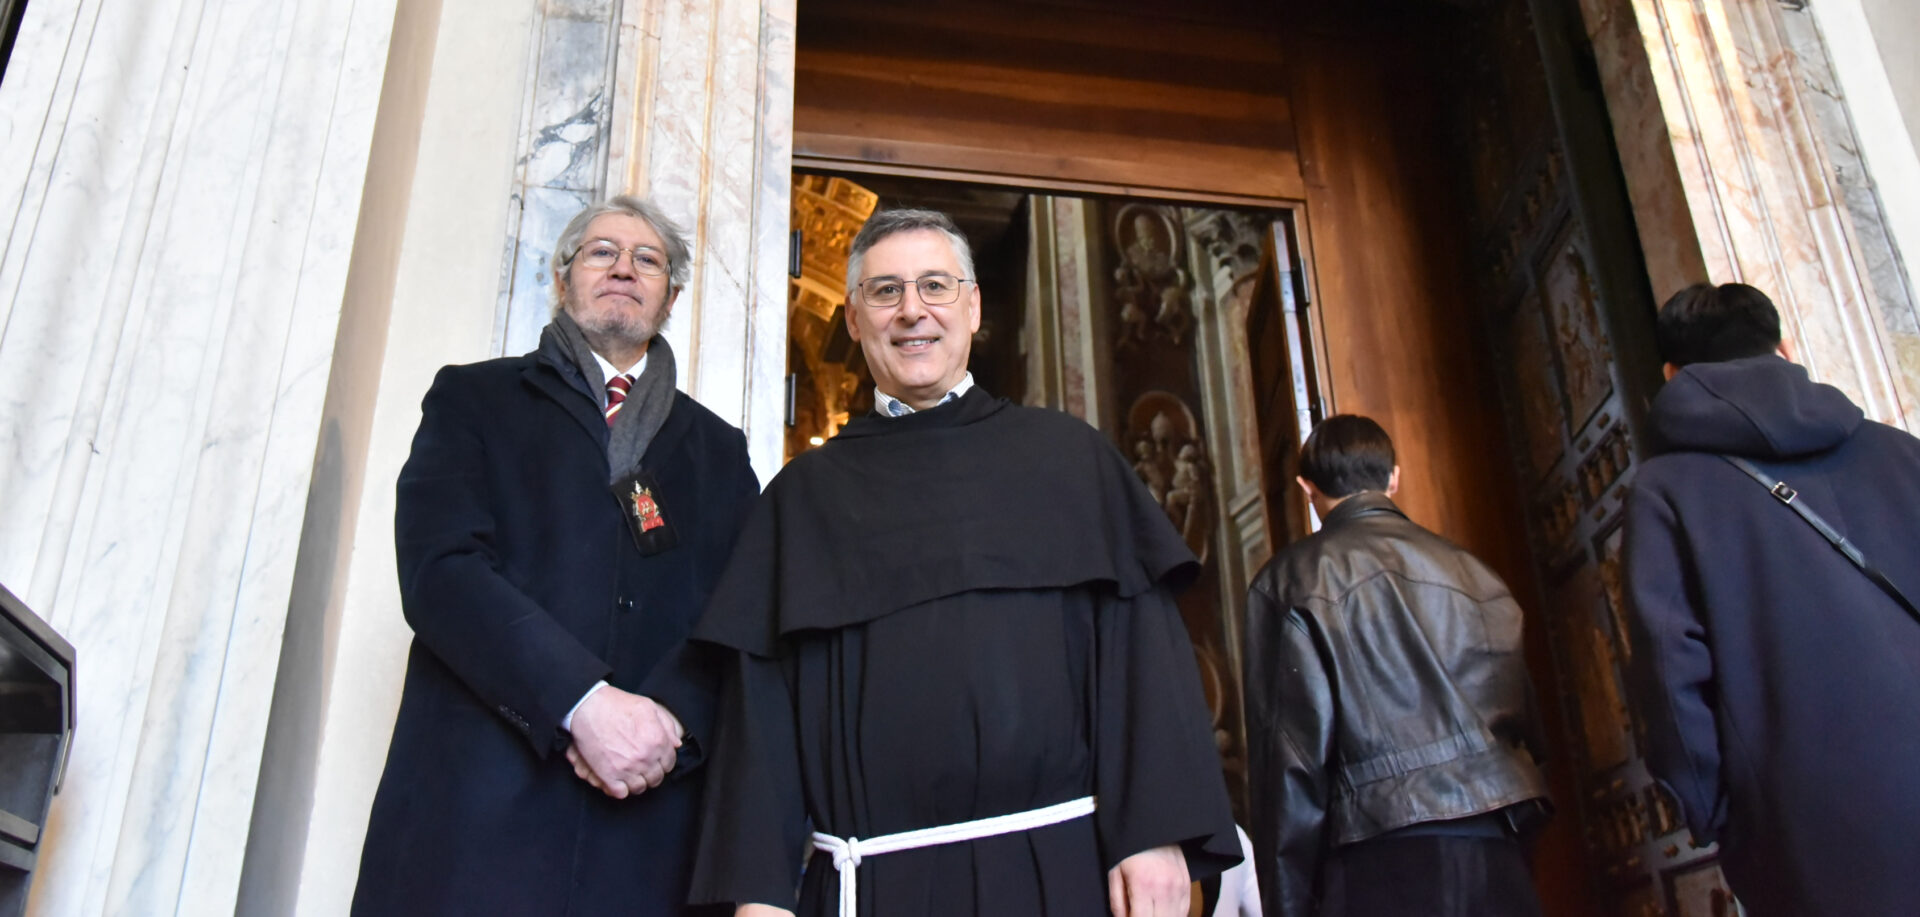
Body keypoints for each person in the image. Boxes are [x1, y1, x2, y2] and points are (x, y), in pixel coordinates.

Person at [685, 209, 1239, 917]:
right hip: (874, 886)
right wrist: (758, 893)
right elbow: (759, 716)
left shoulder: (1069, 459)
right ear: (853, 320)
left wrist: (1158, 832)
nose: (912, 309)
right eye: (885, 292)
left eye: (935, 286)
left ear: (973, 307)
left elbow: (1145, 656)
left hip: (1064, 872)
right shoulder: (803, 499)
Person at [352, 196, 760, 915]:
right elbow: (441, 571)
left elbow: (741, 613)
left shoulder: (720, 451)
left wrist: (666, 725)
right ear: (562, 275)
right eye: (602, 251)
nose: (625, 268)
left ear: (671, 294)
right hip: (479, 815)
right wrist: (582, 701)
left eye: (649, 259)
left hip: (650, 833)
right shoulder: (473, 398)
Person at [1623, 282, 1920, 917]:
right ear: (1785, 347)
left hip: (1819, 826)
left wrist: (1719, 815)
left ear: (1671, 374)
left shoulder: (1666, 490)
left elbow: (1669, 666)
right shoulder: (1902, 452)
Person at [1243, 415, 1551, 917]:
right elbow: (1531, 738)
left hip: (1378, 863)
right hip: (1498, 851)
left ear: (1306, 489)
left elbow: (1290, 766)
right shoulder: (1476, 573)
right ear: (1394, 478)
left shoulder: (1290, 582)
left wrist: (1289, 905)